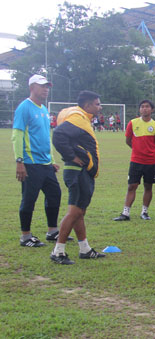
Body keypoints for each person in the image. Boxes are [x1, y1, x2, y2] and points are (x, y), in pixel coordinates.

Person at [50, 90, 105, 264]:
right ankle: (58, 251)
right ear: (87, 105)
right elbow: (58, 135)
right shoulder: (78, 118)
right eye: (97, 104)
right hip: (77, 170)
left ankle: (85, 249)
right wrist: (71, 156)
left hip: (79, 170)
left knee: (80, 211)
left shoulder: (79, 116)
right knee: (74, 211)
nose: (100, 107)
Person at [12, 74, 64, 247]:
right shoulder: (24, 107)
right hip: (30, 163)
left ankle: (52, 231)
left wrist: (52, 159)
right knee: (29, 198)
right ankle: (25, 236)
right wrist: (19, 161)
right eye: (42, 86)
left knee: (55, 194)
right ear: (32, 87)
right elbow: (17, 135)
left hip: (45, 163)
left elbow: (45, 137)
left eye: (47, 86)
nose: (46, 89)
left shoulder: (43, 109)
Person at [113, 100, 155, 221]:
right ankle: (125, 213)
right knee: (132, 186)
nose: (144, 109)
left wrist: (148, 151)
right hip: (136, 160)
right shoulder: (132, 123)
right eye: (142, 107)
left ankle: (144, 212)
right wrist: (137, 150)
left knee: (148, 186)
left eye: (147, 107)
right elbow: (128, 141)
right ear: (139, 109)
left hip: (151, 162)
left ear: (152, 109)